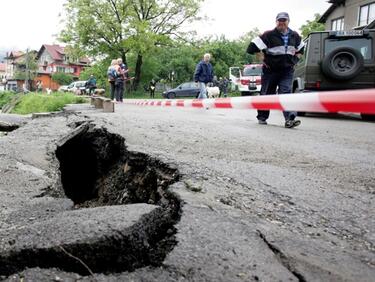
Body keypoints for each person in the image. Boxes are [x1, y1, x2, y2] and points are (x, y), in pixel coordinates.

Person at [247, 12, 304, 128]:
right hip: (270, 70)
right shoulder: (268, 35)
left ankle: (289, 119)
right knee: (267, 93)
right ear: (276, 21)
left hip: (287, 71)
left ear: (288, 22)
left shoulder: (295, 36)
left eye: (284, 20)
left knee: (286, 93)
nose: (281, 23)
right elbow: (252, 47)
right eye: (279, 20)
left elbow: (301, 50)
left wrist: (294, 62)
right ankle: (262, 117)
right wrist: (262, 58)